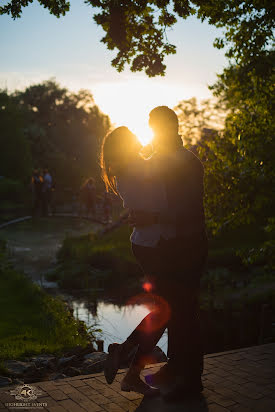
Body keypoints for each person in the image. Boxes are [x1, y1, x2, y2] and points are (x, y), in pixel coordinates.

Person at [101, 126, 170, 396]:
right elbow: (161, 199)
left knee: (165, 309)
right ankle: (128, 360)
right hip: (154, 245)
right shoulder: (138, 170)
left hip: (144, 243)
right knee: (166, 310)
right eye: (133, 139)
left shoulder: (123, 173)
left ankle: (129, 364)